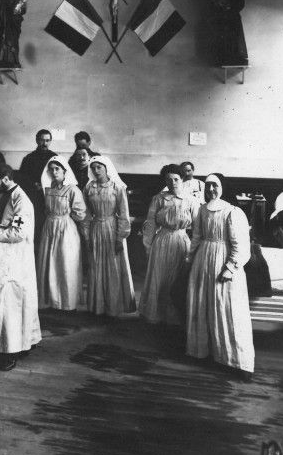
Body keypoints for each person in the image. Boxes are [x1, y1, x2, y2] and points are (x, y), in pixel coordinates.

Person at [184, 173, 254, 380]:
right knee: (202, 305)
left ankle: (236, 361)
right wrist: (189, 259)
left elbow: (241, 245)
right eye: (208, 186)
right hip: (202, 261)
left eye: (215, 185)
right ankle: (202, 352)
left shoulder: (233, 212)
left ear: (223, 187)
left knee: (227, 308)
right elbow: (196, 237)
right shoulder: (202, 210)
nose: (211, 190)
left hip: (223, 262)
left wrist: (230, 267)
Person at [0, 163, 41, 371]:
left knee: (9, 304)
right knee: (5, 302)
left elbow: (18, 233)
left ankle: (9, 352)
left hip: (15, 259)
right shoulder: (6, 195)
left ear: (5, 178)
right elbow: (6, 225)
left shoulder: (21, 200)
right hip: (4, 254)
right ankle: (14, 344)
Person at [140, 164, 201, 325]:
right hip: (161, 241)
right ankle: (158, 315)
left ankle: (175, 317)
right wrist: (148, 246)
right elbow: (150, 223)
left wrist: (195, 250)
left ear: (182, 179)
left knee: (177, 278)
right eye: (168, 180)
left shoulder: (191, 200)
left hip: (181, 242)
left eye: (176, 179)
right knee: (159, 277)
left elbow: (197, 228)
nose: (172, 183)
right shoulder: (158, 199)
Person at [82, 155, 135, 316]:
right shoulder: (89, 188)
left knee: (113, 266)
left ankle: (113, 308)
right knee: (96, 265)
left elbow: (124, 213)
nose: (96, 170)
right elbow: (86, 214)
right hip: (96, 228)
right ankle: (97, 307)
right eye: (93, 168)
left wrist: (120, 237)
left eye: (99, 167)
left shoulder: (117, 188)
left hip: (112, 229)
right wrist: (86, 236)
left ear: (106, 168)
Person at [36, 156, 87, 311]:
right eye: (51, 169)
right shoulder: (49, 189)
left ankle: (67, 303)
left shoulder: (72, 189)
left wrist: (64, 219)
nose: (54, 172)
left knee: (65, 264)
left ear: (65, 171)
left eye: (57, 169)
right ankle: (52, 301)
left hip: (66, 229)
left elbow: (80, 214)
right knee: (49, 263)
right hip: (49, 227)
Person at [19, 129, 58, 243]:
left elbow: (59, 178)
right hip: (34, 197)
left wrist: (46, 185)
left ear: (50, 141)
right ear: (37, 140)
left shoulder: (54, 157)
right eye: (42, 140)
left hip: (51, 196)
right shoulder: (29, 158)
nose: (45, 143)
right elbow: (22, 178)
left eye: (47, 140)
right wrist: (33, 184)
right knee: (35, 225)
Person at [212, 0, 248, 67]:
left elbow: (241, 3)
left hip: (233, 18)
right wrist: (222, 7)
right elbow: (215, 3)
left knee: (235, 38)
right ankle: (224, 58)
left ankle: (235, 58)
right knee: (223, 37)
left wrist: (231, 8)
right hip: (223, 18)